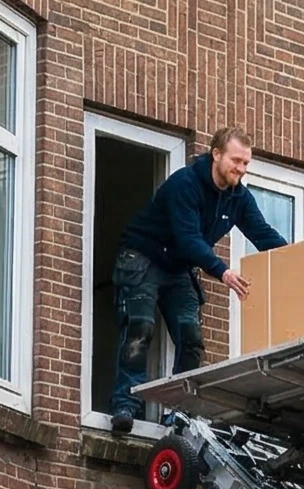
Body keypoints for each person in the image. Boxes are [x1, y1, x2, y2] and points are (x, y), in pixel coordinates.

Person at [108, 127, 290, 432]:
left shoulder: (238, 197)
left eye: (246, 163)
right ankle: (125, 405)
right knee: (140, 328)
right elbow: (189, 238)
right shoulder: (185, 183)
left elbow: (262, 233)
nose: (241, 170)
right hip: (144, 257)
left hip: (178, 267)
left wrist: (297, 258)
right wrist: (223, 271)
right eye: (236, 161)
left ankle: (180, 413)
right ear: (216, 154)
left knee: (191, 337)